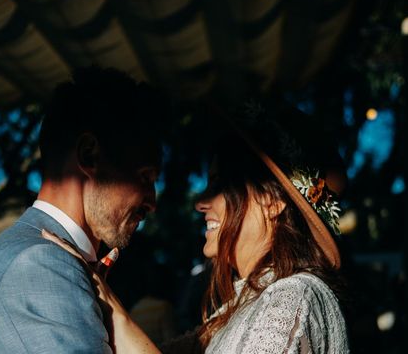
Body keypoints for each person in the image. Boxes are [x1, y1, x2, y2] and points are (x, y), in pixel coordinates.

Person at [44, 102, 349, 353]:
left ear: (271, 201)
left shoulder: (294, 298)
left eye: (219, 184)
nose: (200, 202)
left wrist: (114, 310)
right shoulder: (240, 307)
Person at [0, 66, 167, 353]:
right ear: (88, 155)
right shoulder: (43, 266)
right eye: (145, 177)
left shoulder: (5, 255)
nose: (152, 201)